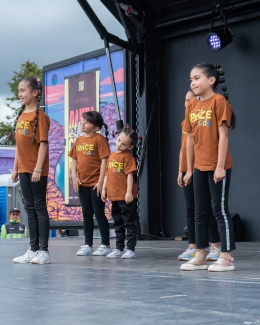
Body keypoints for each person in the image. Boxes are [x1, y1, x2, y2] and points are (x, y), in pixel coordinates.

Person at [181, 62, 236, 272]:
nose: (193, 82)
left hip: (217, 167)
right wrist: (188, 169)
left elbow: (223, 137)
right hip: (198, 166)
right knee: (199, 212)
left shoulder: (219, 101)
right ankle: (201, 254)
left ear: (211, 80)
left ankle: (227, 256)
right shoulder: (191, 106)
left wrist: (220, 167)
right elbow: (189, 140)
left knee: (219, 211)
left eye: (197, 78)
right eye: (191, 79)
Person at [10, 77, 51, 264]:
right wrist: (15, 168)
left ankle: (44, 251)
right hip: (24, 169)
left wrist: (37, 168)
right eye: (19, 90)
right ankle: (33, 249)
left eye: (23, 90)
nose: (20, 94)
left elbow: (43, 145)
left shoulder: (41, 117)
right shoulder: (20, 116)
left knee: (40, 207)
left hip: (36, 170)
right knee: (29, 208)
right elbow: (19, 146)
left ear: (35, 93)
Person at [177, 90, 220, 261]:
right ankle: (192, 246)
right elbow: (183, 149)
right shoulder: (184, 124)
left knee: (206, 208)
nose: (187, 103)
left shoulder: (202, 120)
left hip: (202, 166)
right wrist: (181, 170)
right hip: (188, 169)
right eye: (185, 100)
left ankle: (215, 246)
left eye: (191, 100)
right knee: (191, 207)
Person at [68, 111, 112, 257]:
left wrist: (101, 181)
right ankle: (88, 244)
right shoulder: (79, 140)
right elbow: (74, 159)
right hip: (82, 183)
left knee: (99, 212)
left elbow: (105, 161)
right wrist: (74, 176)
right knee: (86, 213)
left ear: (96, 127)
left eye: (87, 122)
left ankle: (105, 244)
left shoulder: (99, 140)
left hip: (95, 183)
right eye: (82, 121)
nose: (83, 123)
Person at [102, 125, 140, 259]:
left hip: (125, 196)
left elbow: (130, 175)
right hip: (114, 196)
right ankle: (118, 248)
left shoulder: (128, 158)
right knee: (117, 222)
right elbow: (107, 174)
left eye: (124, 144)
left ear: (129, 147)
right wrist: (104, 189)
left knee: (129, 222)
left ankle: (130, 248)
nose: (119, 145)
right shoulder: (112, 156)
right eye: (119, 141)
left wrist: (129, 192)